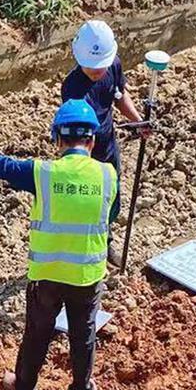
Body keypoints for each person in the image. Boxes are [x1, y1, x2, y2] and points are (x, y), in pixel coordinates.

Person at [0, 99, 119, 390]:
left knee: (38, 331)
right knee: (83, 332)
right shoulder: (107, 175)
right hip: (87, 275)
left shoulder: (42, 173)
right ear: (92, 139)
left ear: (58, 139)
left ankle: (24, 388)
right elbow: (111, 214)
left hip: (47, 275)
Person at [61, 20, 146, 266]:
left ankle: (105, 242)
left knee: (111, 195)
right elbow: (76, 131)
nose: (98, 72)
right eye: (92, 67)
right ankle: (81, 249)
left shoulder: (114, 66)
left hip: (108, 145)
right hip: (83, 151)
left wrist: (138, 122)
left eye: (102, 66)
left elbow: (118, 96)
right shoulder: (73, 87)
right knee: (85, 199)